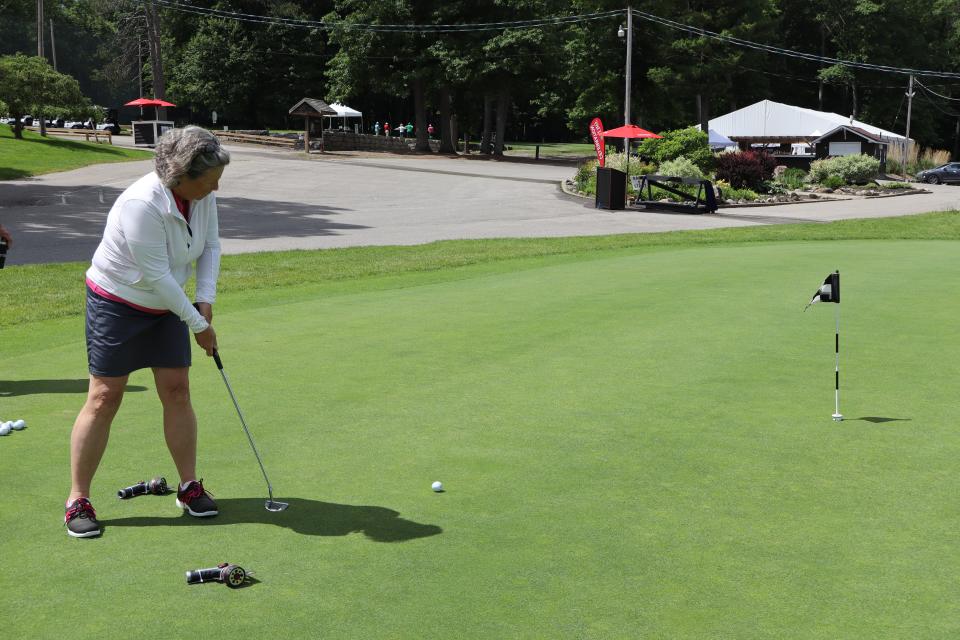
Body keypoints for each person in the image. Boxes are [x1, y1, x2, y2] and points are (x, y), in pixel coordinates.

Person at [64, 126, 229, 538]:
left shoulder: (202, 196)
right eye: (209, 181)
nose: (215, 187)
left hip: (167, 302)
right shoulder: (141, 203)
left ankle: (188, 486)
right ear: (181, 176)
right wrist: (199, 325)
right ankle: (77, 499)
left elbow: (209, 246)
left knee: (177, 390)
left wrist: (204, 301)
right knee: (104, 396)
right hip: (118, 301)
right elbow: (155, 275)